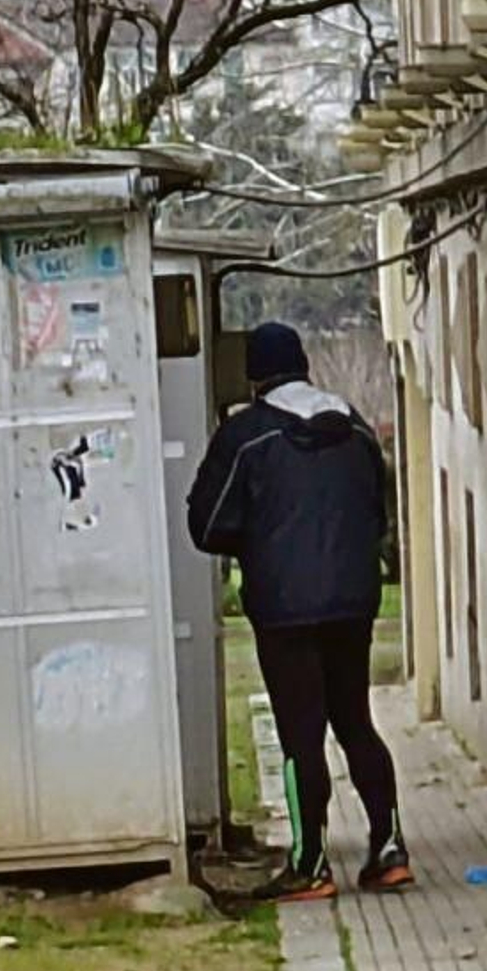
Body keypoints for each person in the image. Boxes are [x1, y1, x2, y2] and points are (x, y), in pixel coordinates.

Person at [188, 319, 412, 904]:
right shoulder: (357, 430)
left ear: (256, 377)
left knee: (301, 735)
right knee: (355, 720)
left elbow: (207, 525)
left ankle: (310, 863)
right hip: (354, 600)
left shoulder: (246, 436)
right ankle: (388, 849)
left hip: (284, 608)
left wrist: (255, 542)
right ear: (305, 366)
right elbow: (378, 513)